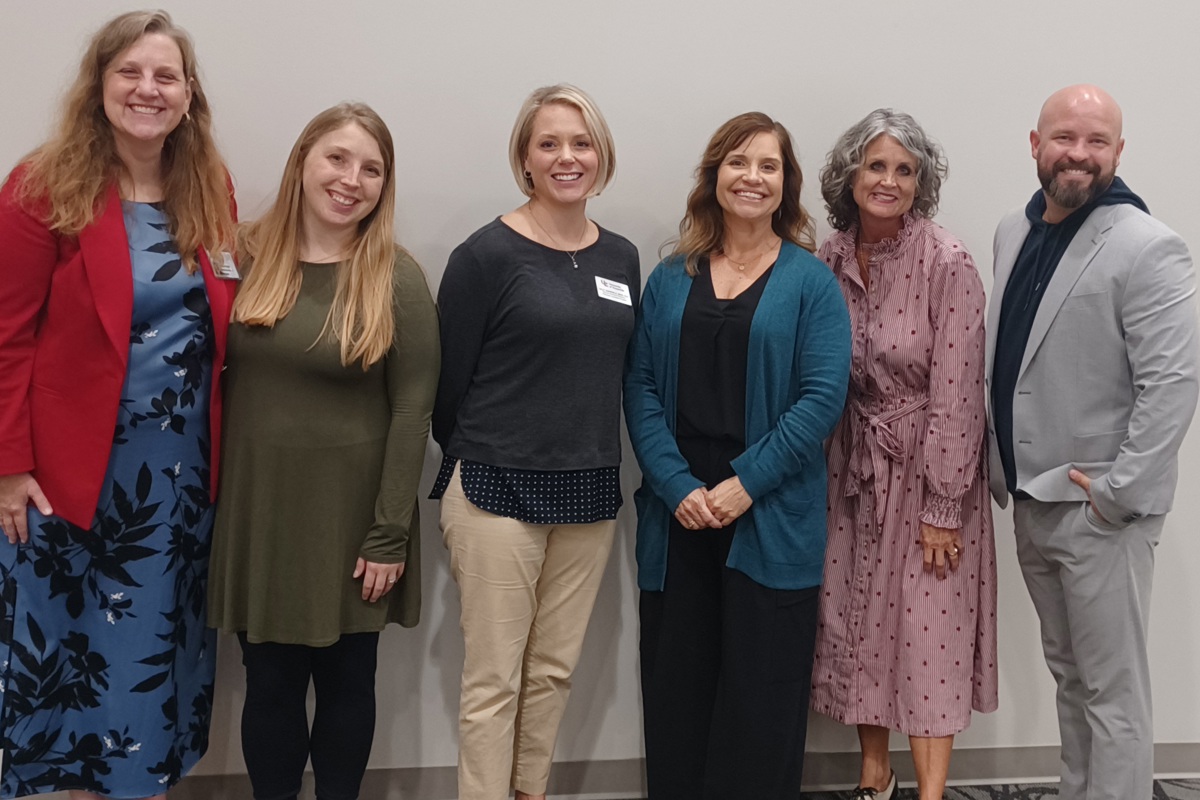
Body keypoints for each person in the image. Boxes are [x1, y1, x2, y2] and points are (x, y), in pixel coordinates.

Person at [0, 10, 237, 799]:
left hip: (179, 482)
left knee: (149, 656)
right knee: (76, 662)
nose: (148, 89)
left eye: (166, 75)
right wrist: (8, 466)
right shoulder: (44, 186)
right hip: (68, 480)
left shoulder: (210, 187)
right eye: (130, 72)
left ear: (189, 94)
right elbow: (6, 336)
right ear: (99, 84)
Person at [206, 103, 439, 800]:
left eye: (371, 169)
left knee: (348, 682)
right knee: (269, 685)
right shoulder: (240, 257)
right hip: (260, 513)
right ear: (303, 160)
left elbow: (414, 410)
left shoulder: (395, 276)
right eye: (337, 158)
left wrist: (389, 531)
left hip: (354, 522)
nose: (350, 180)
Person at [624, 112, 851, 800]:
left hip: (769, 515)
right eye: (738, 162)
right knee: (677, 697)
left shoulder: (811, 282)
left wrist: (744, 484)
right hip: (680, 517)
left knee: (762, 705)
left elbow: (821, 399)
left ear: (786, 185)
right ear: (714, 176)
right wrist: (675, 485)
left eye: (768, 166)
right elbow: (640, 385)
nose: (752, 177)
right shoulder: (670, 277)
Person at [987, 84, 1198, 800]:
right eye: (1064, 137)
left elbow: (1172, 386)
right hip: (1029, 500)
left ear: (1118, 151)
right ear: (1036, 143)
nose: (1078, 153)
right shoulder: (1012, 231)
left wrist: (1117, 496)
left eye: (1096, 141)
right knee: (1071, 681)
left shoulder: (1148, 245)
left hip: (1099, 511)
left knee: (1114, 695)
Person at [430, 84, 639, 800]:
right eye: (548, 143)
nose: (566, 157)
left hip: (588, 486)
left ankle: (530, 792)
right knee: (493, 681)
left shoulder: (621, 258)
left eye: (581, 142)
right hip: (495, 487)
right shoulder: (485, 254)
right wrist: (488, 448)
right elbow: (447, 385)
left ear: (601, 154)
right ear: (524, 158)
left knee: (552, 672)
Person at [808, 109, 998, 800]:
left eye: (904, 170)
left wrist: (944, 504)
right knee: (858, 618)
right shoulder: (828, 257)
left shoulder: (947, 262)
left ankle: (931, 792)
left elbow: (959, 392)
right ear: (850, 174)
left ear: (921, 183)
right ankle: (875, 774)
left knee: (926, 632)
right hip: (851, 465)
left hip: (929, 468)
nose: (888, 181)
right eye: (876, 165)